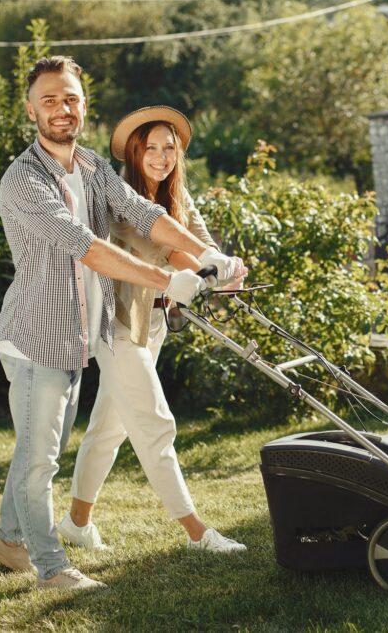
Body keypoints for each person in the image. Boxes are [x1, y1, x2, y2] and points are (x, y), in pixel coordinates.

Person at [0, 56, 245, 590]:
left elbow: (145, 214)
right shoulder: (24, 180)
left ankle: (9, 540)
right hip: (36, 337)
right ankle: (53, 569)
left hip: (82, 334)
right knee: (40, 462)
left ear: (84, 105)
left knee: (41, 448)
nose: (63, 108)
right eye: (51, 99)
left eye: (72, 98)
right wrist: (166, 280)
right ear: (31, 108)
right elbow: (89, 249)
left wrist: (207, 259)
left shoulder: (94, 168)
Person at [55, 106, 247, 554]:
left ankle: (76, 523)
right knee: (155, 423)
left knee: (110, 427)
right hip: (116, 324)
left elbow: (197, 238)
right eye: (152, 148)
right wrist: (206, 265)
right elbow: (162, 245)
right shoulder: (118, 196)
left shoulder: (177, 194)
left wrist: (224, 264)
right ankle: (198, 533)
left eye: (169, 148)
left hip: (153, 323)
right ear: (136, 153)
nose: (161, 157)